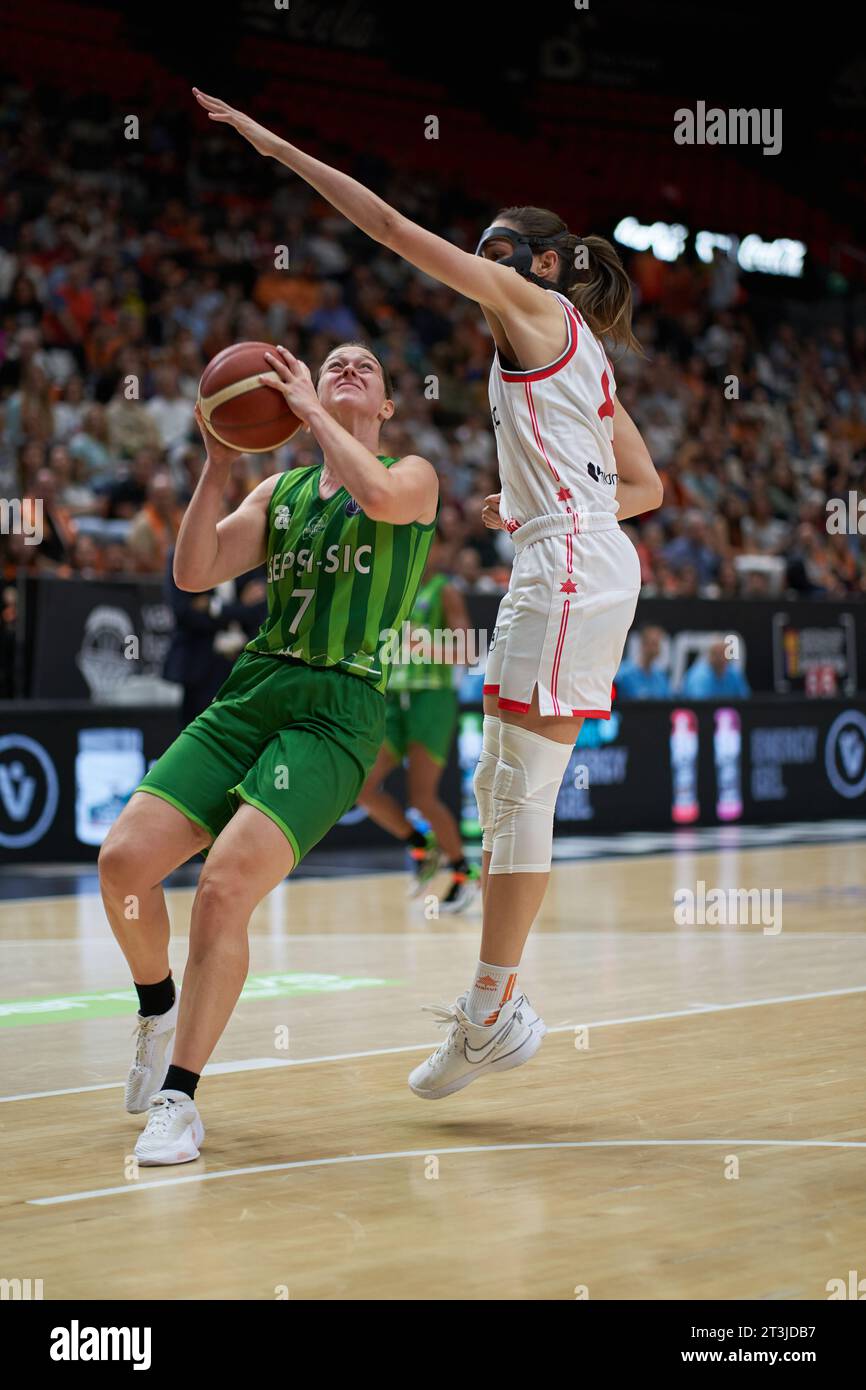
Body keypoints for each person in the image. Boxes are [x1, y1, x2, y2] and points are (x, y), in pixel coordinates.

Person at [193, 88, 663, 1102]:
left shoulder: (534, 306)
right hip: (570, 551)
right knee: (508, 789)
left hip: (569, 559)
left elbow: (392, 227)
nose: (477, 264)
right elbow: (646, 487)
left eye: (495, 250)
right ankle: (491, 1004)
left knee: (512, 793)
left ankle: (492, 1008)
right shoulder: (580, 351)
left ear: (537, 262)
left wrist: (277, 144)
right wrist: (534, 501)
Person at [98, 341, 438, 1163]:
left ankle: (180, 1100)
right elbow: (194, 570)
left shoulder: (415, 473)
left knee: (222, 888)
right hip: (256, 689)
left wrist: (314, 415)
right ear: (295, 398)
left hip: (336, 709)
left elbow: (385, 496)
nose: (347, 370)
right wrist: (218, 462)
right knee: (122, 864)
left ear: (387, 407)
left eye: (365, 369)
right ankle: (157, 1007)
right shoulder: (279, 490)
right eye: (331, 368)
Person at [357, 527, 478, 912]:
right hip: (394, 700)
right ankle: (421, 846)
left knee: (423, 797)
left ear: (441, 548)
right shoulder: (395, 591)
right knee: (363, 787)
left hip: (431, 698)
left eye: (429, 543)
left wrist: (422, 644)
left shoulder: (444, 590)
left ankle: (463, 873)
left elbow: (468, 651)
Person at [679, 637, 751, 699]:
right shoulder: (699, 676)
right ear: (710, 656)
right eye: (717, 654)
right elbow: (699, 707)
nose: (721, 658)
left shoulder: (733, 674)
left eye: (725, 653)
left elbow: (745, 698)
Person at [615, 625, 671, 699]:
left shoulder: (661, 677)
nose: (657, 648)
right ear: (643, 644)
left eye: (658, 643)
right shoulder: (623, 674)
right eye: (654, 643)